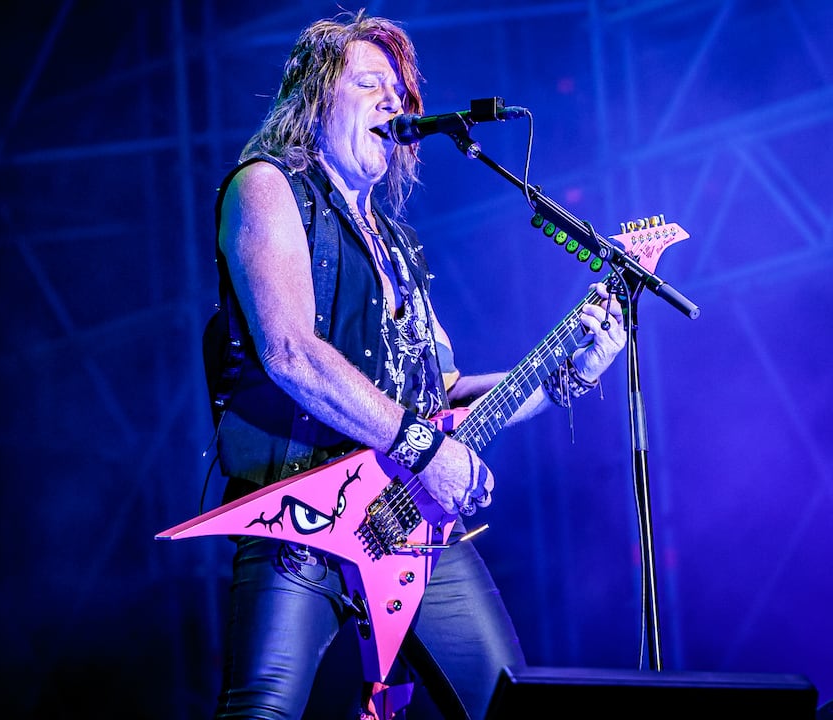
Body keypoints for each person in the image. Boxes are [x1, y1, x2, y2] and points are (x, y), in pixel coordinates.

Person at [201, 9, 627, 719]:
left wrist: (569, 375)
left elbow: (446, 393)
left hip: (407, 518)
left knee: (510, 705)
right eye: (368, 83)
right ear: (316, 99)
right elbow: (290, 352)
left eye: (398, 92)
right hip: (300, 517)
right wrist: (426, 448)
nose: (391, 102)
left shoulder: (399, 245)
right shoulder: (267, 186)